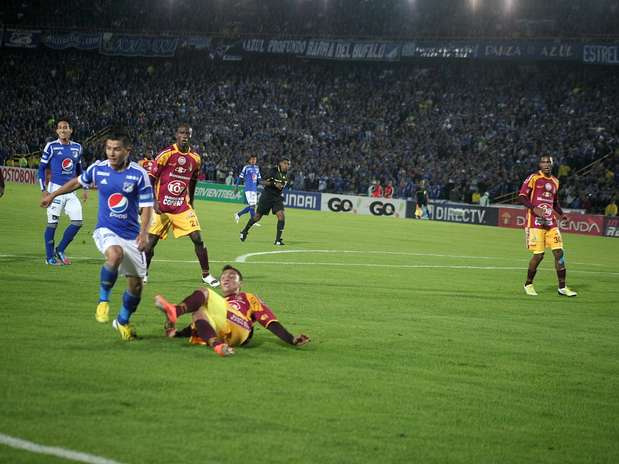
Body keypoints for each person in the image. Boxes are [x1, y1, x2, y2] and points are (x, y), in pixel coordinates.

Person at [41, 128, 154, 339]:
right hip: (106, 229)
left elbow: (147, 207)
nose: (111, 153)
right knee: (114, 254)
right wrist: (53, 194)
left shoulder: (139, 175)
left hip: (131, 234)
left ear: (127, 150)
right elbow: (77, 182)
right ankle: (103, 300)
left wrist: (144, 233)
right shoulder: (98, 169)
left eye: (117, 149)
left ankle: (122, 321)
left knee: (136, 287)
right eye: (109, 148)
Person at [154, 264, 311, 357]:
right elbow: (199, 324)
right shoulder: (219, 304)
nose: (226, 278)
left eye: (231, 276)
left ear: (240, 283)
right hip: (222, 330)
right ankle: (217, 346)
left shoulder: (248, 297)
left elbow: (269, 321)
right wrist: (179, 334)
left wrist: (291, 339)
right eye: (223, 277)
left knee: (204, 292)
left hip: (241, 328)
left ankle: (175, 311)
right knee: (198, 312)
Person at [144, 123, 219, 287]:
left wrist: (191, 201)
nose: (184, 136)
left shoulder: (195, 158)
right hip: (161, 206)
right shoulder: (166, 154)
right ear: (176, 135)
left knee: (198, 238)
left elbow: (193, 181)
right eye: (181, 133)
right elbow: (150, 178)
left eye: (187, 133)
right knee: (150, 243)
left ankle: (206, 275)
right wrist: (153, 201)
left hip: (181, 207)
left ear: (190, 136)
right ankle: (144, 273)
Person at [518, 154, 577, 297]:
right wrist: (534, 209)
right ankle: (528, 284)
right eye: (543, 162)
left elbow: (554, 202)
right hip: (535, 223)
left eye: (548, 162)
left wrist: (561, 214)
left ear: (552, 164)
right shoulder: (533, 178)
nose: (546, 164)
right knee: (539, 255)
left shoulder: (556, 182)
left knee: (559, 253)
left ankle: (562, 287)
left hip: (551, 222)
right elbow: (522, 196)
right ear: (540, 165)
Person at [38, 117, 87, 265]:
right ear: (57, 131)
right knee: (52, 223)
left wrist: (84, 186)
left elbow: (79, 169)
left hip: (71, 191)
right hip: (55, 190)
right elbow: (41, 168)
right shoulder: (51, 146)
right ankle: (49, 257)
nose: (63, 130)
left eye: (66, 127)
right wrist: (44, 190)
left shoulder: (77, 147)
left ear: (70, 130)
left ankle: (60, 250)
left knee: (78, 222)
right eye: (60, 127)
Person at [239, 157, 290, 246]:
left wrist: (279, 186)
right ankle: (244, 231)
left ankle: (278, 240)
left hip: (277, 198)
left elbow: (282, 186)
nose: (287, 166)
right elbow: (262, 182)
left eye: (288, 164)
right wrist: (274, 183)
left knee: (281, 216)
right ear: (280, 163)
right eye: (285, 163)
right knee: (257, 217)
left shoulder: (286, 174)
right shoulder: (273, 171)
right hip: (267, 196)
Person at [234, 154, 262, 225]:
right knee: (252, 206)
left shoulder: (257, 168)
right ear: (249, 160)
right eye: (252, 159)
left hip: (254, 189)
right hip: (248, 189)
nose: (253, 160)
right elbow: (240, 177)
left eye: (255, 159)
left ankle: (238, 214)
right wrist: (236, 186)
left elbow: (259, 179)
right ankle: (253, 221)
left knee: (252, 206)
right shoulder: (246, 167)